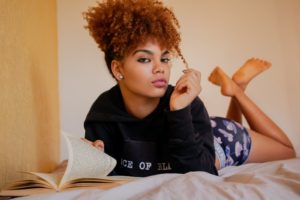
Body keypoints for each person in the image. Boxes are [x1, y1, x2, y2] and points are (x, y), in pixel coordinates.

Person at [82, 0, 295, 177]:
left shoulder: (187, 103)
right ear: (118, 68)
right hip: (201, 133)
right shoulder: (103, 113)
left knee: (286, 151)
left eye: (165, 58)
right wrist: (95, 159)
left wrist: (180, 111)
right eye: (145, 59)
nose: (160, 68)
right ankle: (236, 87)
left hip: (223, 139)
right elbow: (114, 170)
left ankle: (237, 90)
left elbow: (202, 173)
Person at [208, 58, 296, 169]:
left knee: (288, 152)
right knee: (232, 134)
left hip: (219, 144)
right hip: (213, 128)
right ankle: (238, 88)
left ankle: (236, 90)